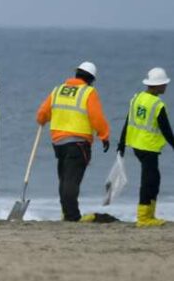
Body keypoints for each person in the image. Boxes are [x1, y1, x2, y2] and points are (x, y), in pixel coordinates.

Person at [36, 61, 111, 222]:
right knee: (71, 181)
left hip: (59, 144)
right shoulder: (88, 92)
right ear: (91, 79)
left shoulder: (58, 90)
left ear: (76, 74)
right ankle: (71, 216)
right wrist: (104, 136)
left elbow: (42, 113)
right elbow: (96, 117)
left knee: (64, 179)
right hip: (78, 143)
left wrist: (42, 119)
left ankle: (67, 212)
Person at [118, 67, 173, 227]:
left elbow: (128, 122)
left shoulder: (137, 98)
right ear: (157, 85)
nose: (165, 87)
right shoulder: (157, 105)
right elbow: (167, 131)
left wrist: (121, 144)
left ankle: (149, 214)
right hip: (148, 147)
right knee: (150, 180)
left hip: (137, 145)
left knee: (153, 179)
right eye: (164, 84)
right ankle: (143, 217)